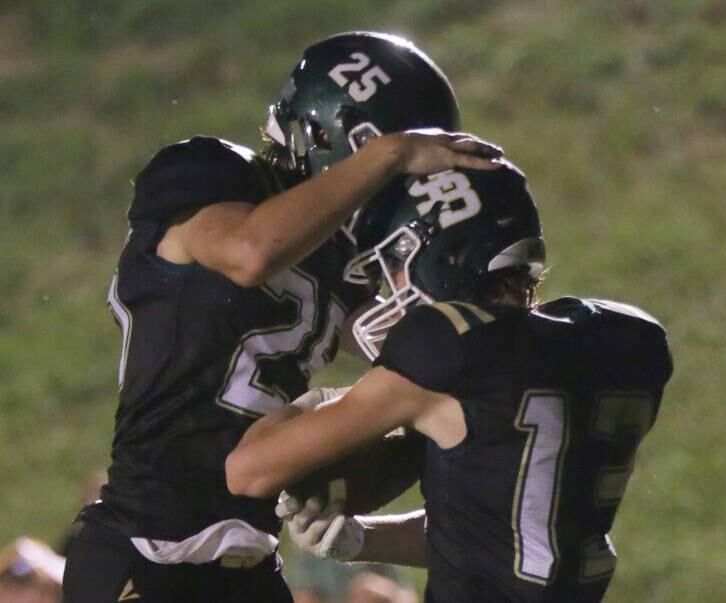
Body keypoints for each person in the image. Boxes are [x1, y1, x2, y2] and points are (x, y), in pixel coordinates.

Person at [62, 31, 501, 603]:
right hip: (146, 549)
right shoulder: (205, 170)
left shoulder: (346, 251)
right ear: (345, 137)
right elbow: (251, 254)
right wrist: (388, 155)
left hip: (249, 563)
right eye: (398, 161)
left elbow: (415, 355)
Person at [225, 163, 674, 602]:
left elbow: (250, 469)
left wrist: (322, 402)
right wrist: (361, 542)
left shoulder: (449, 348)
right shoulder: (626, 342)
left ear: (449, 256)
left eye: (394, 263)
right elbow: (501, 531)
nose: (390, 285)